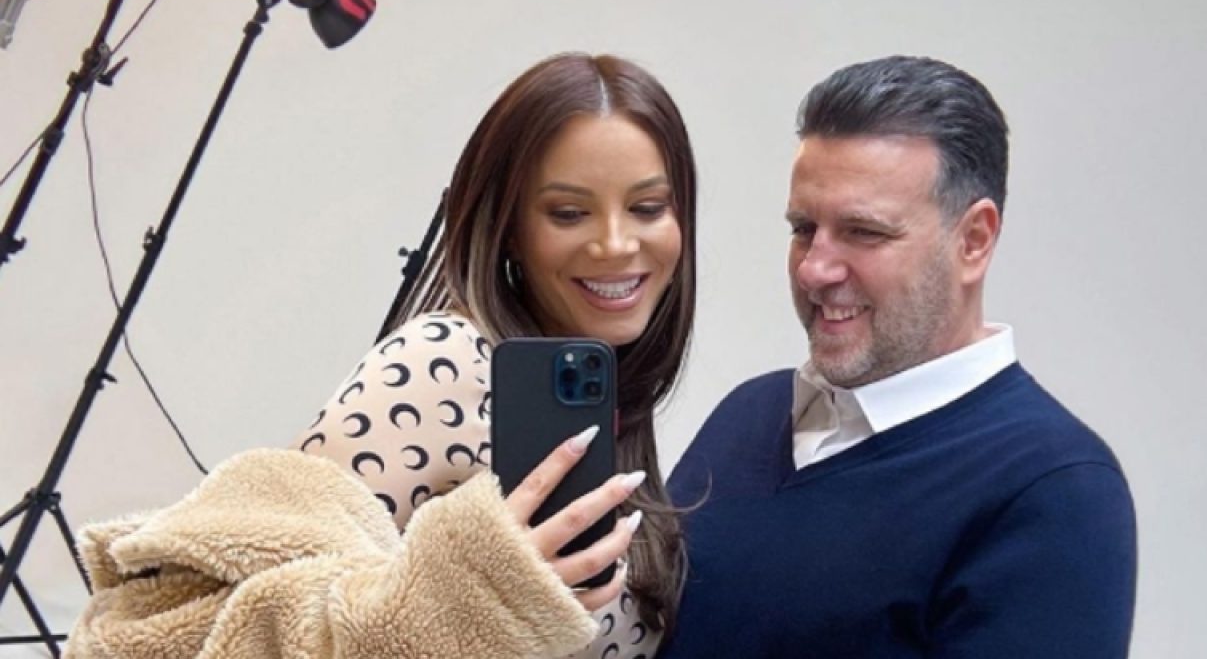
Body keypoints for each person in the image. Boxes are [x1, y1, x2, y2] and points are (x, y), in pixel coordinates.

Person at [67, 53, 697, 659]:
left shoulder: (609, 404)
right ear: (509, 228)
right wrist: (466, 602)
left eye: (647, 208)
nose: (616, 243)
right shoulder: (444, 365)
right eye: (568, 213)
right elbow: (188, 625)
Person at [664, 56, 1138, 658]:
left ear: (974, 240)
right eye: (804, 228)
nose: (814, 269)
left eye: (864, 232)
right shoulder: (750, 415)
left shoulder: (1055, 490)